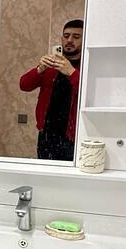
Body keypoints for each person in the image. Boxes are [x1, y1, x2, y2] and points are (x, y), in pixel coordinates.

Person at [19, 19, 84, 161]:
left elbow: (88, 94)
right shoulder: (51, 66)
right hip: (47, 134)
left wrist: (72, 72)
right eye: (66, 36)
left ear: (84, 40)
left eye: (76, 37)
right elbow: (24, 85)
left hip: (74, 136)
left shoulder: (87, 66)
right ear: (61, 39)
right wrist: (40, 69)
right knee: (45, 173)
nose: (69, 40)